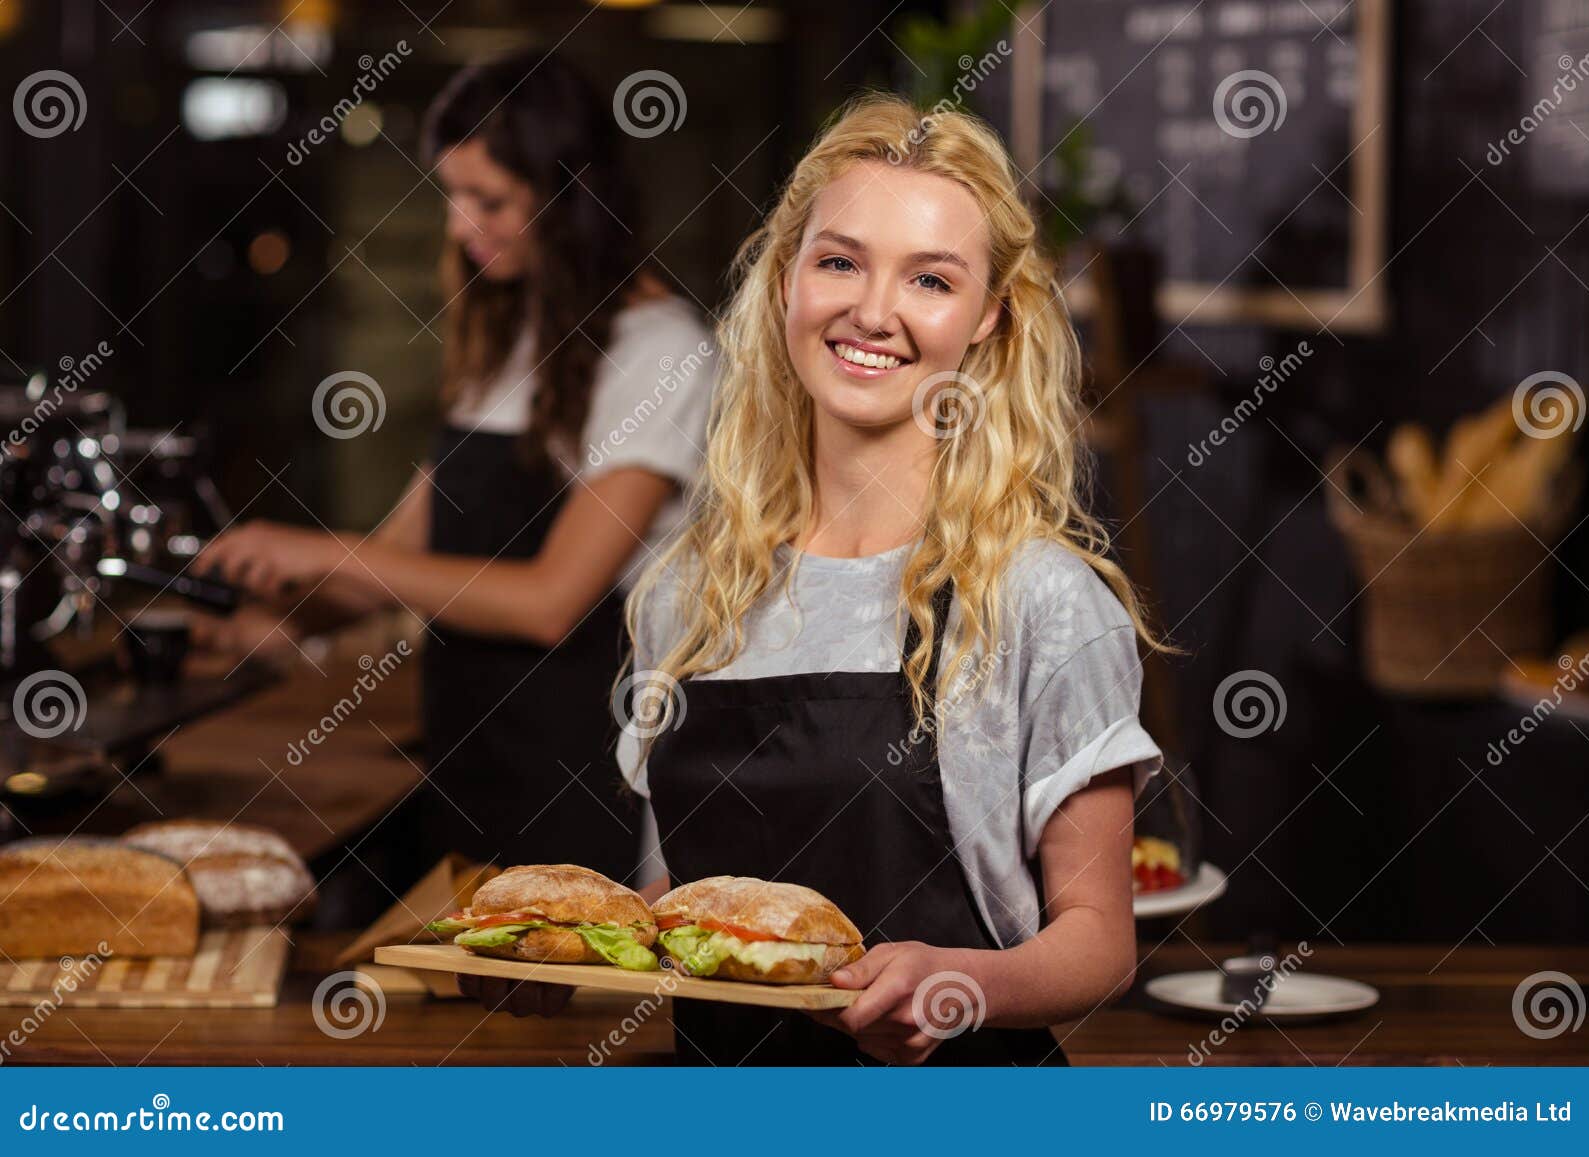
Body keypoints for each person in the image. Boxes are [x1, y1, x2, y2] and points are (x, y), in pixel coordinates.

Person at [460, 93, 1166, 1065]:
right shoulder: (688, 593)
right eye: (839, 260)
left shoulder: (1041, 598)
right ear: (787, 278)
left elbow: (1099, 936)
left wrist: (961, 983)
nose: (871, 310)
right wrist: (570, 953)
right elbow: (691, 909)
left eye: (929, 278)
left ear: (988, 318)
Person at [196, 52, 715, 883]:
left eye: (489, 200)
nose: (459, 223)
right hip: (476, 762)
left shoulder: (662, 356)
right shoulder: (509, 342)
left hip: (586, 779)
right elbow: (404, 552)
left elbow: (550, 601)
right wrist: (273, 614)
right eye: (452, 193)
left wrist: (322, 549)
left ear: (569, 195)